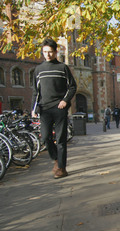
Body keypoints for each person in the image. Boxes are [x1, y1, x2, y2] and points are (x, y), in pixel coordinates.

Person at [31, 38, 77, 179]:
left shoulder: (62, 68)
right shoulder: (38, 70)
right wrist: (33, 108)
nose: (48, 55)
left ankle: (62, 168)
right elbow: (35, 91)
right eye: (45, 52)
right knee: (45, 138)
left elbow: (73, 86)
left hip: (59, 108)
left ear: (56, 52)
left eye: (50, 52)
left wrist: (65, 100)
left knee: (61, 138)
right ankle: (57, 159)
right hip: (44, 109)